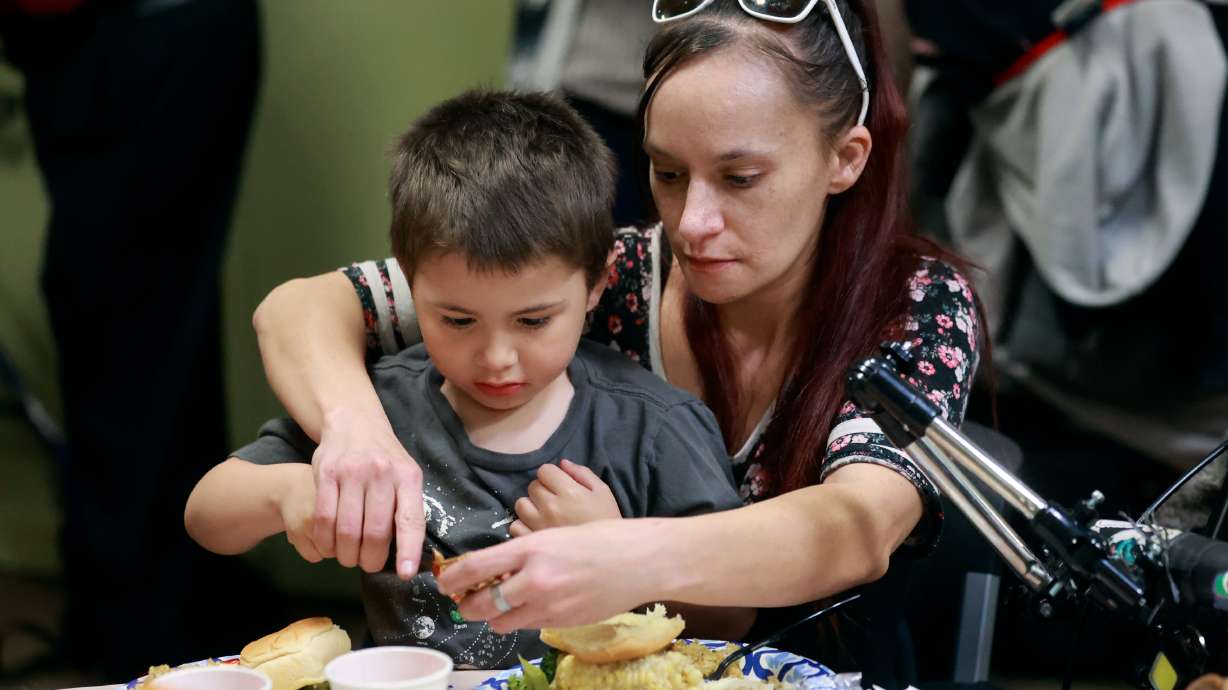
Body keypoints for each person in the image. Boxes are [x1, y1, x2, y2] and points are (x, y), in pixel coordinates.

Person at [251, 1, 983, 684]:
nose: (692, 222)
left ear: (846, 159)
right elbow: (301, 308)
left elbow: (856, 525)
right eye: (666, 173)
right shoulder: (618, 273)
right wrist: (357, 437)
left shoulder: (916, 305)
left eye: (741, 177)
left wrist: (623, 553)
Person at [184, 90, 750, 669]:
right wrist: (287, 495)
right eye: (457, 320)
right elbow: (206, 516)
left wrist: (623, 555)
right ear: (410, 283)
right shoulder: (382, 408)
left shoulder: (653, 428)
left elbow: (735, 614)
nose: (496, 358)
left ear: (596, 286)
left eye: (533, 320)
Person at [0, 0, 275, 680]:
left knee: (124, 331)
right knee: (150, 330)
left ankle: (139, 643)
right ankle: (185, 618)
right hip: (116, 39)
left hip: (136, 33)